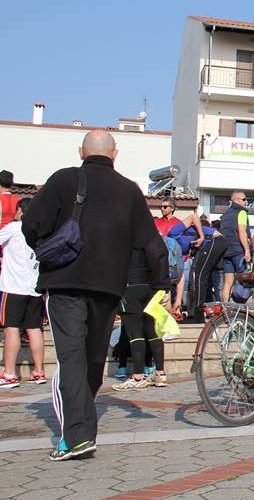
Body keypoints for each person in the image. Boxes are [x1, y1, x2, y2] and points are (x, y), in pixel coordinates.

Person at [22, 129, 168, 461]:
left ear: (81, 152)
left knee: (71, 357)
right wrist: (161, 285)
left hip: (65, 281)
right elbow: (152, 243)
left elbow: (31, 225)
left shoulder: (63, 180)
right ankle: (81, 430)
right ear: (115, 155)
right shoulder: (129, 190)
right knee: (93, 359)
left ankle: (77, 437)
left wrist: (46, 245)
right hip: (108, 287)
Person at [113, 235, 170, 392]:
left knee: (135, 333)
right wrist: (164, 287)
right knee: (152, 331)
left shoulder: (123, 238)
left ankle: (138, 376)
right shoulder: (150, 237)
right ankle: (160, 373)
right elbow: (162, 257)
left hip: (129, 287)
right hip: (150, 287)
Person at [0, 198, 45, 388]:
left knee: (11, 328)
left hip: (14, 286)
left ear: (19, 210)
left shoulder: (15, 227)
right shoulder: (41, 229)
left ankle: (9, 373)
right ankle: (38, 371)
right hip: (34, 287)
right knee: (34, 329)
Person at [219, 191, 251, 303]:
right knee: (244, 280)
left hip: (226, 252)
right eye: (244, 199)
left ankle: (225, 307)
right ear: (236, 200)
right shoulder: (241, 212)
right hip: (238, 251)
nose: (246, 202)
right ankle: (241, 307)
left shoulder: (225, 214)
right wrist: (247, 249)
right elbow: (242, 232)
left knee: (227, 282)